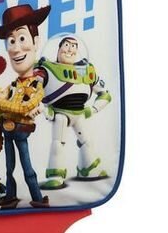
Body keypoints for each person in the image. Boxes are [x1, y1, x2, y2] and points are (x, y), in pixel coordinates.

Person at [0, 4, 51, 209]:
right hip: (7, 131)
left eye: (22, 38)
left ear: (36, 41)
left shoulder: (37, 84)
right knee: (9, 168)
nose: (16, 48)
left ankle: (37, 197)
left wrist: (0, 102)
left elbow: (25, 107)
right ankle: (11, 196)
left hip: (20, 130)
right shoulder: (13, 85)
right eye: (11, 41)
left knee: (27, 167)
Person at [36, 35, 112, 189]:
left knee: (87, 142)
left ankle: (88, 169)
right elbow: (31, 92)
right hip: (60, 114)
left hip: (80, 114)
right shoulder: (45, 70)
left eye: (74, 46)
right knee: (58, 144)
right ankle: (55, 175)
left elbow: (105, 94)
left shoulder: (86, 71)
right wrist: (43, 109)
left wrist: (93, 110)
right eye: (66, 45)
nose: (70, 49)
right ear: (58, 48)